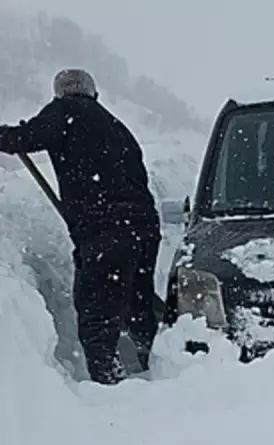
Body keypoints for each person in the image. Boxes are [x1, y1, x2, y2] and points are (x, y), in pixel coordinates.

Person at [0, 69, 161, 385]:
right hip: (144, 228)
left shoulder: (66, 111)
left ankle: (108, 383)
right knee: (138, 304)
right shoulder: (118, 127)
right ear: (94, 93)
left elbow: (26, 138)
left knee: (97, 314)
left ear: (60, 93)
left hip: (105, 230)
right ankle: (156, 364)